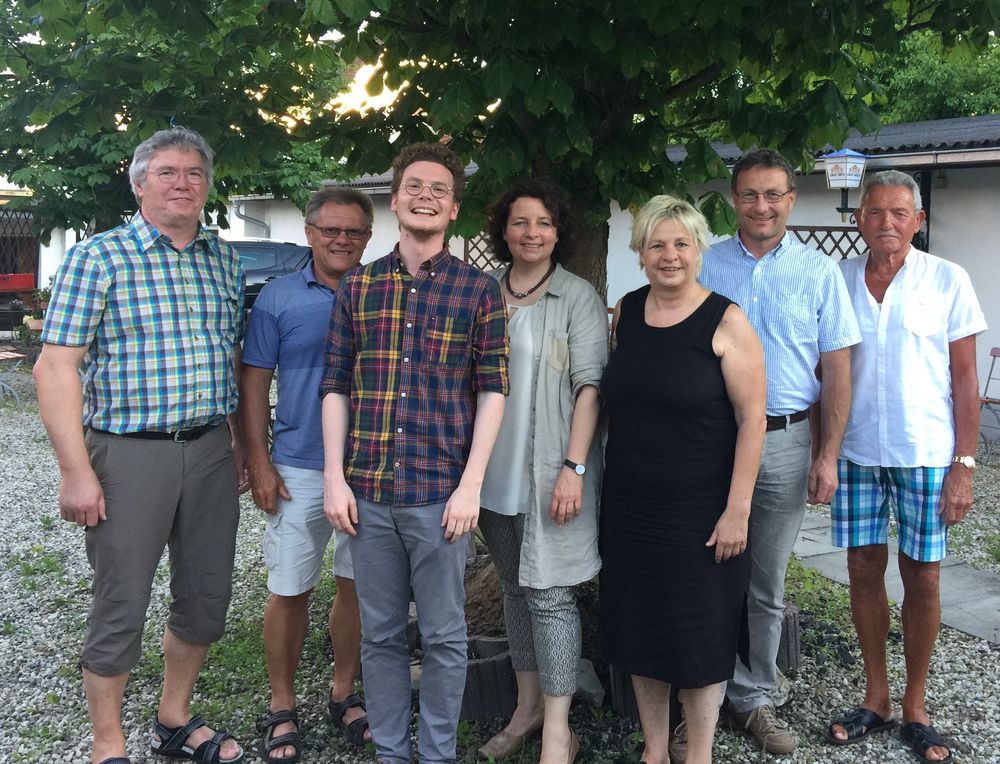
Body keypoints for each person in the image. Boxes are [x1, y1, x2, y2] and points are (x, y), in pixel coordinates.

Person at [33, 127, 245, 764]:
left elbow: (231, 359)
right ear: (139, 184)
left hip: (209, 450)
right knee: (122, 599)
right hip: (127, 455)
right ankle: (108, 743)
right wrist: (76, 471)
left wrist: (240, 444)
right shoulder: (98, 258)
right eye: (167, 172)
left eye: (194, 173)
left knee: (206, 597)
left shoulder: (223, 260)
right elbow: (55, 367)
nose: (182, 183)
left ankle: (172, 718)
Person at [320, 142, 509, 764]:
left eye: (439, 190)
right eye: (414, 187)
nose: (425, 197)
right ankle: (392, 754)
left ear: (453, 209)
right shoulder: (359, 286)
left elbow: (492, 389)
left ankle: (437, 754)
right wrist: (334, 479)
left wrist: (471, 485)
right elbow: (335, 384)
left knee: (445, 636)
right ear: (395, 199)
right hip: (368, 492)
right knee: (379, 636)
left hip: (440, 496)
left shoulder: (479, 291)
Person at [693, 148, 861, 756]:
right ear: (734, 199)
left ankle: (753, 697)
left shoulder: (820, 273)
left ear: (791, 199)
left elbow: (836, 369)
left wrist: (826, 455)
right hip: (709, 440)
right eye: (749, 194)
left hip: (786, 440)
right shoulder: (704, 264)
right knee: (702, 570)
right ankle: (700, 693)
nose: (761, 206)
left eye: (773, 194)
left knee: (765, 580)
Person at [824, 171, 985, 764]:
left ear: (919, 220)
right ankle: (877, 696)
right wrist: (823, 452)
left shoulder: (947, 278)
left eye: (899, 212)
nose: (886, 223)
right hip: (856, 450)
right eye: (875, 211)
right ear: (858, 219)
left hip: (926, 453)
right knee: (862, 571)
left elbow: (965, 379)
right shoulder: (839, 279)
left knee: (924, 577)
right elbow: (825, 370)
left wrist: (963, 464)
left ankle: (915, 705)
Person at [600, 195, 766, 764]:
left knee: (698, 636)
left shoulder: (726, 320)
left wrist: (738, 509)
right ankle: (653, 750)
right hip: (630, 508)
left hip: (702, 512)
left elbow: (752, 420)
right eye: (657, 245)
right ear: (641, 252)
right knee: (641, 629)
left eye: (681, 244)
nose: (669, 255)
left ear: (698, 250)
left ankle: (698, 753)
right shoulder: (626, 312)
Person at [239, 187, 375, 763]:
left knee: (357, 586)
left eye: (353, 231)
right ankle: (282, 703)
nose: (341, 240)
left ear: (367, 237)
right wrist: (259, 460)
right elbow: (253, 381)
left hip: (370, 465)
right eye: (330, 230)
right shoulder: (278, 297)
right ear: (309, 232)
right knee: (290, 588)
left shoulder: (383, 290)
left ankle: (344, 692)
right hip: (298, 463)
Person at [475, 180, 608, 764]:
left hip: (553, 471)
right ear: (503, 231)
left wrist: (574, 467)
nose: (532, 233)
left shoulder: (577, 295)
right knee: (514, 588)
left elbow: (590, 388)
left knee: (550, 595)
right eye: (520, 222)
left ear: (559, 232)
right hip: (489, 473)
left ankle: (558, 730)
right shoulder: (483, 291)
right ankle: (526, 708)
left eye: (544, 223)